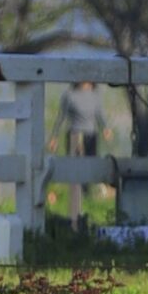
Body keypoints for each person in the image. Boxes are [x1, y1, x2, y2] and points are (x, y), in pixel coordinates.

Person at [59, 82, 103, 228]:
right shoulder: (70, 96)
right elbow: (61, 117)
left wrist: (105, 128)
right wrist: (54, 137)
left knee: (90, 172)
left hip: (91, 135)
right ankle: (75, 212)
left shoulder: (95, 96)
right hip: (74, 134)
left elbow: (100, 115)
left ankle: (88, 202)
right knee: (75, 176)